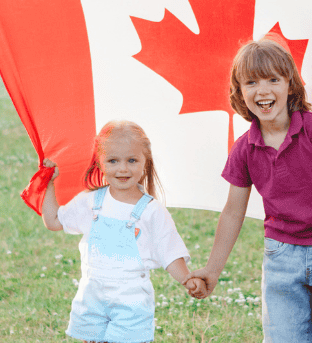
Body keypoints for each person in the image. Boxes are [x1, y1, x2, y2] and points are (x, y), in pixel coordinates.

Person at [190, 38, 312, 343]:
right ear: (240, 92)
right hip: (281, 257)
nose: (263, 90)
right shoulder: (244, 148)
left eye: (274, 79)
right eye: (252, 82)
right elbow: (233, 212)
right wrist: (213, 270)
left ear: (290, 85)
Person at [41, 121, 203, 343]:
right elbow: (54, 220)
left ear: (145, 162)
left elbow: (170, 251)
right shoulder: (91, 202)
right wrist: (48, 184)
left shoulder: (151, 210)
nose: (123, 169)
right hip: (92, 298)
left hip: (131, 302)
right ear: (100, 163)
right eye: (113, 161)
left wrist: (187, 279)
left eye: (132, 160)